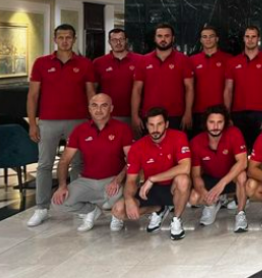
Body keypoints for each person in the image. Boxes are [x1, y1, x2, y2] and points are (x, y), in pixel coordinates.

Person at [26, 24, 95, 227]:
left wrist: (93, 121)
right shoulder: (41, 63)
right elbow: (33, 96)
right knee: (44, 165)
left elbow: (91, 94)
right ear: (55, 39)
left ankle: (80, 205)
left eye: (68, 37)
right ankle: (41, 208)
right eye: (61, 37)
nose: (65, 41)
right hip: (48, 121)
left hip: (79, 121)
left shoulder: (85, 64)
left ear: (74, 39)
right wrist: (32, 123)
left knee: (77, 164)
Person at [51, 93, 133, 232]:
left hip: (113, 180)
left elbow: (132, 160)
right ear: (89, 108)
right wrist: (62, 186)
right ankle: (91, 211)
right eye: (94, 105)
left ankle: (117, 215)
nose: (98, 110)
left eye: (104, 105)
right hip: (87, 181)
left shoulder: (122, 129)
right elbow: (64, 160)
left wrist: (118, 180)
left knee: (115, 200)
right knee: (58, 202)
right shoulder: (80, 130)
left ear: (111, 108)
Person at [111, 107, 191, 240]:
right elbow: (131, 180)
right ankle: (158, 209)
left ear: (166, 124)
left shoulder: (179, 136)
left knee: (183, 179)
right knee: (118, 211)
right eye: (151, 125)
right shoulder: (137, 147)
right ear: (147, 126)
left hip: (173, 189)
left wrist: (152, 179)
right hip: (150, 191)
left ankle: (176, 220)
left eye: (159, 124)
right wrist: (129, 199)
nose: (155, 129)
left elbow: (185, 167)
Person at [188, 105, 249, 232]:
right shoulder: (196, 142)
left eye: (219, 122)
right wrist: (205, 194)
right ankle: (212, 204)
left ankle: (240, 214)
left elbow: (243, 162)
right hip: (211, 178)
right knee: (193, 198)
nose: (215, 126)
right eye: (211, 122)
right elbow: (196, 175)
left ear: (225, 123)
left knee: (242, 175)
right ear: (205, 123)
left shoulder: (234, 133)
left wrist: (221, 184)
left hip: (230, 178)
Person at [131, 23, 194, 135]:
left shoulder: (184, 60)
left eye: (167, 36)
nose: (163, 39)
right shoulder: (143, 60)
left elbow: (189, 88)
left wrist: (188, 113)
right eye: (159, 36)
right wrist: (134, 115)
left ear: (173, 38)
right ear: (154, 38)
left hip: (176, 116)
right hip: (149, 115)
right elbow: (137, 90)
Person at [224, 25, 262, 149]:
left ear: (258, 39)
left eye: (253, 37)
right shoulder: (232, 62)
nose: (250, 39)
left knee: (261, 150)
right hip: (237, 113)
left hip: (261, 114)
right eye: (247, 36)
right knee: (238, 150)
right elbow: (228, 90)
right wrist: (227, 116)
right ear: (243, 38)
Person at [189, 25, 232, 135]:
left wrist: (228, 113)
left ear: (217, 39)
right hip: (198, 111)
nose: (208, 39)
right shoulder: (192, 61)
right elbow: (189, 88)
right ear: (201, 40)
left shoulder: (228, 59)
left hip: (220, 112)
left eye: (211, 36)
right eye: (205, 37)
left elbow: (230, 88)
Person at [93, 28, 141, 124]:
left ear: (126, 40)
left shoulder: (140, 61)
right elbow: (92, 91)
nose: (118, 43)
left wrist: (136, 116)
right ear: (109, 42)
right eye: (114, 40)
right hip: (106, 115)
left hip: (133, 115)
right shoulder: (98, 63)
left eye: (121, 39)